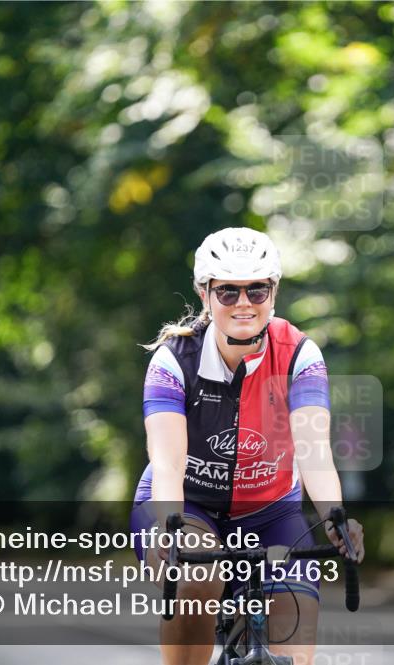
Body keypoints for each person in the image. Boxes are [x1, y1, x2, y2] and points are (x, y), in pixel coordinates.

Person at [129, 227, 365, 665]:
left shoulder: (299, 355)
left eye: (256, 290)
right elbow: (166, 464)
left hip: (272, 510)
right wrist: (168, 523)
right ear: (205, 294)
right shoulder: (174, 360)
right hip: (188, 505)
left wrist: (335, 516)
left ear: (273, 293)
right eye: (228, 291)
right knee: (199, 578)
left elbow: (314, 449)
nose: (243, 303)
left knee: (297, 619)